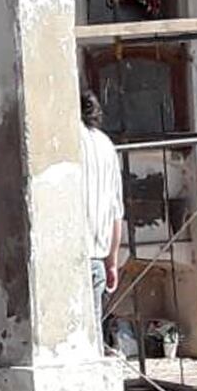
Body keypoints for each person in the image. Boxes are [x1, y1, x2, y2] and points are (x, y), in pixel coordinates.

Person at [79, 92, 125, 304]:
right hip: (97, 258)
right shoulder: (106, 145)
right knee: (94, 324)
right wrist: (112, 262)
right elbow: (116, 212)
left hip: (68, 259)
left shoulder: (63, 143)